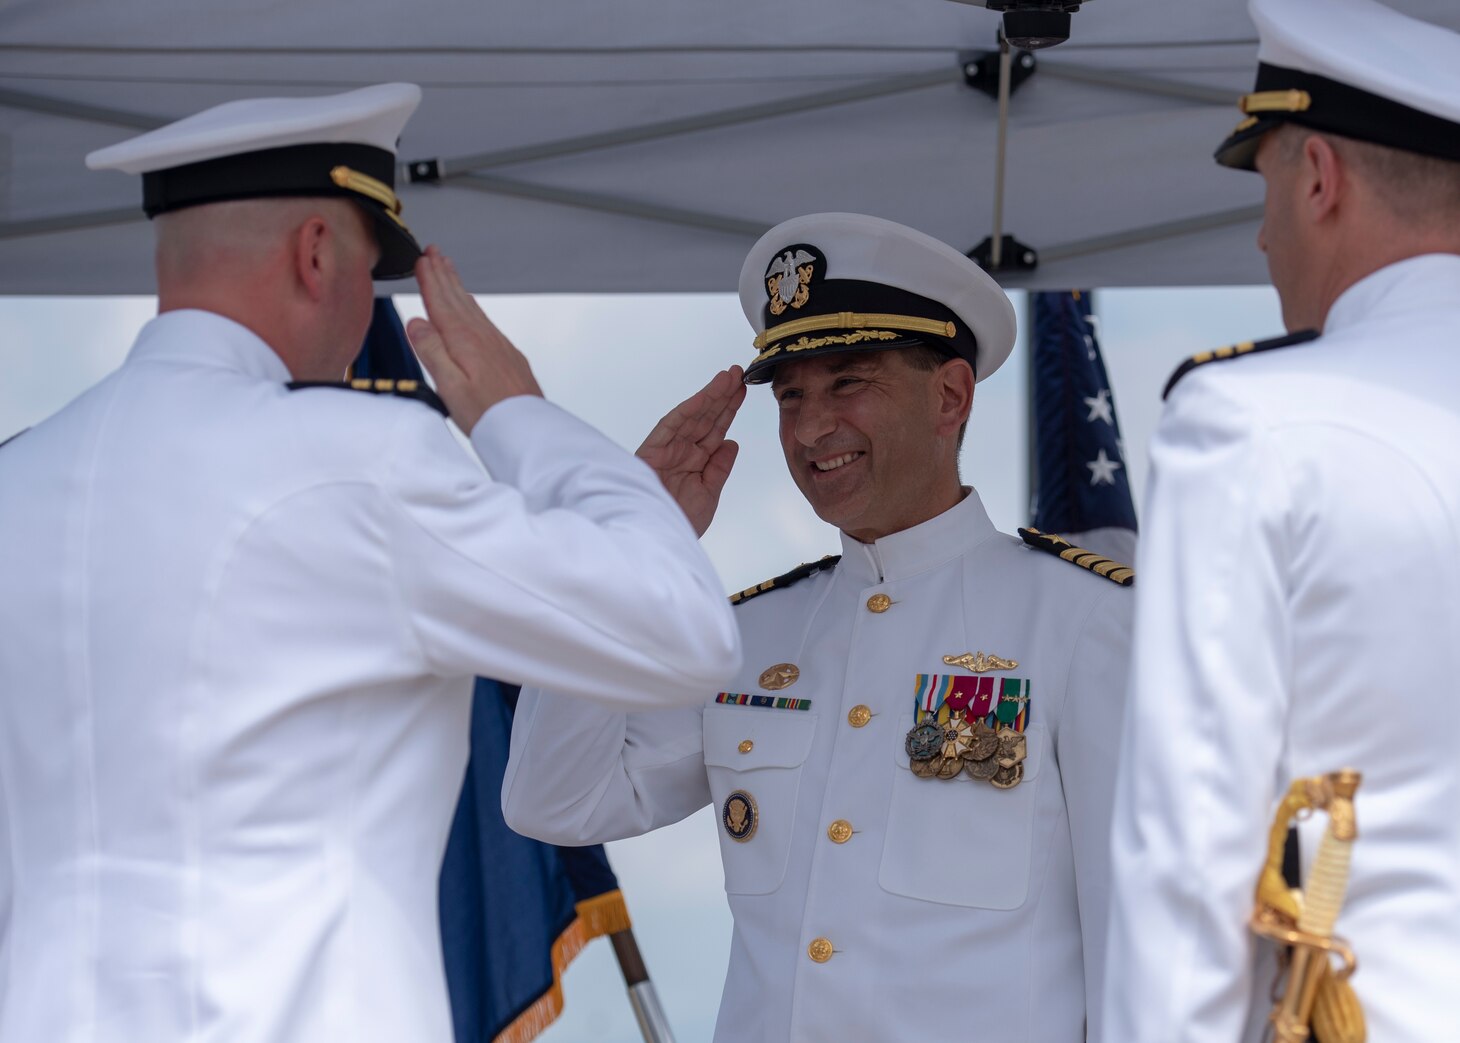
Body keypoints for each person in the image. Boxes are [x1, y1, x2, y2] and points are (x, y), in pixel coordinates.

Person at [0, 83, 741, 1043]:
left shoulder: (18, 479)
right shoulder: (358, 461)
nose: (369, 311)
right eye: (369, 273)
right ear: (316, 253)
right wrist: (518, 414)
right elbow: (681, 633)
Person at [504, 212, 1134, 1041]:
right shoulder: (749, 635)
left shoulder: (1084, 620)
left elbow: (1138, 943)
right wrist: (625, 554)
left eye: (848, 382)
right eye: (791, 395)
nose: (808, 429)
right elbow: (556, 801)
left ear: (950, 395)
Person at [1101, 2, 1460, 1040]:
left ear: (1317, 179)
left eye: (1264, 191)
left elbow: (1189, 852)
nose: (1263, 236)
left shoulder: (1249, 422)